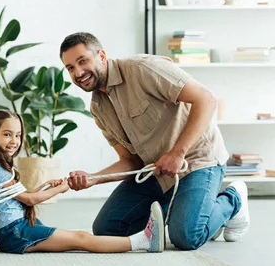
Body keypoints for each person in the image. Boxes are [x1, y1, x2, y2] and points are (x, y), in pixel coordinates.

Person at [59, 32, 249, 250]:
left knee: (186, 236)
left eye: (83, 61)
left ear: (101, 55)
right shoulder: (98, 107)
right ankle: (193, 211)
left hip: (196, 161)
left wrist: (177, 153)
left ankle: (233, 199)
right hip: (156, 173)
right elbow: (131, 162)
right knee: (108, 229)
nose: (78, 72)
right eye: (70, 68)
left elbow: (206, 99)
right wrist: (93, 178)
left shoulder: (143, 69)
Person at [0, 110, 164, 254]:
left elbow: (19, 198)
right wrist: (61, 189)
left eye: (18, 135)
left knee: (78, 237)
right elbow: (29, 200)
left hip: (19, 228)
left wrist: (44, 187)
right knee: (81, 238)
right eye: (7, 134)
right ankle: (145, 241)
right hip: (15, 234)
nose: (14, 141)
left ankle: (144, 240)